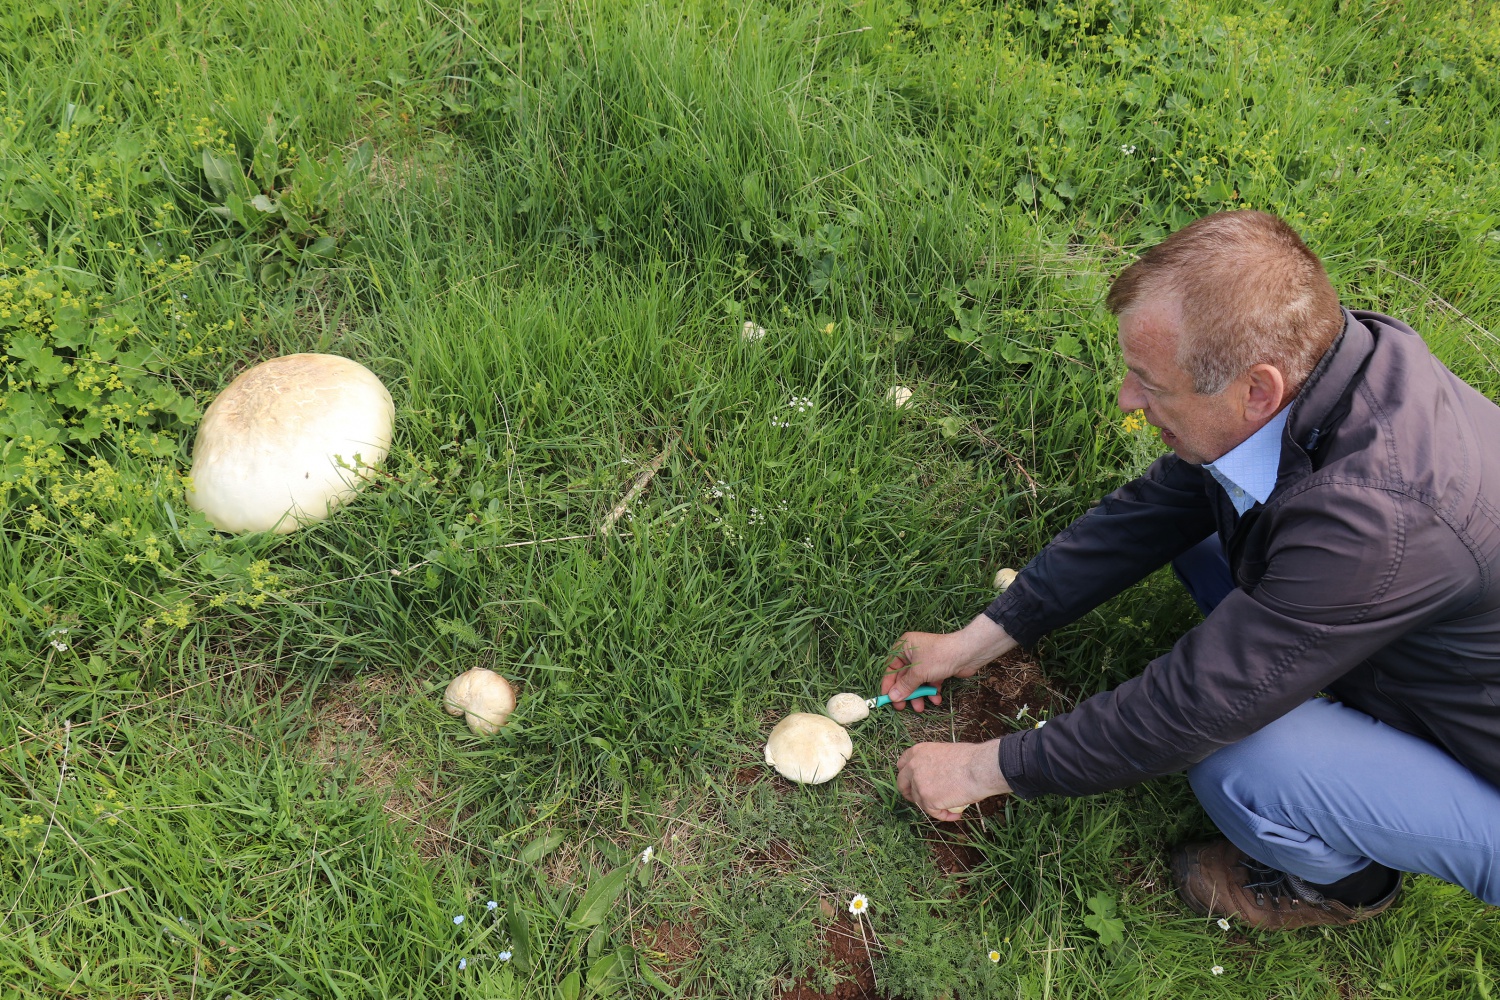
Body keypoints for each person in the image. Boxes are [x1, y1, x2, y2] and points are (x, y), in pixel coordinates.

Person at [881, 210, 1500, 930]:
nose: (1127, 400)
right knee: (1214, 531)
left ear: (1257, 391)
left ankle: (1347, 884)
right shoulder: (1332, 372)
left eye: (1150, 383)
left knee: (1241, 761)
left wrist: (984, 769)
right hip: (1436, 651)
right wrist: (976, 640)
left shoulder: (1380, 522)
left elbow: (1192, 708)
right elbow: (1159, 509)